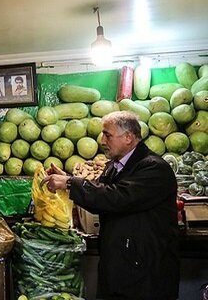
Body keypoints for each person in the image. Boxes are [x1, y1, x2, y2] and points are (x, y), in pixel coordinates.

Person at [42, 111, 179, 300]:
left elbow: (118, 197)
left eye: (107, 135)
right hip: (120, 270)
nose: (102, 141)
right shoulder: (114, 166)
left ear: (129, 137)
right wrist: (68, 180)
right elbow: (101, 199)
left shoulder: (154, 168)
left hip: (145, 277)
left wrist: (69, 183)